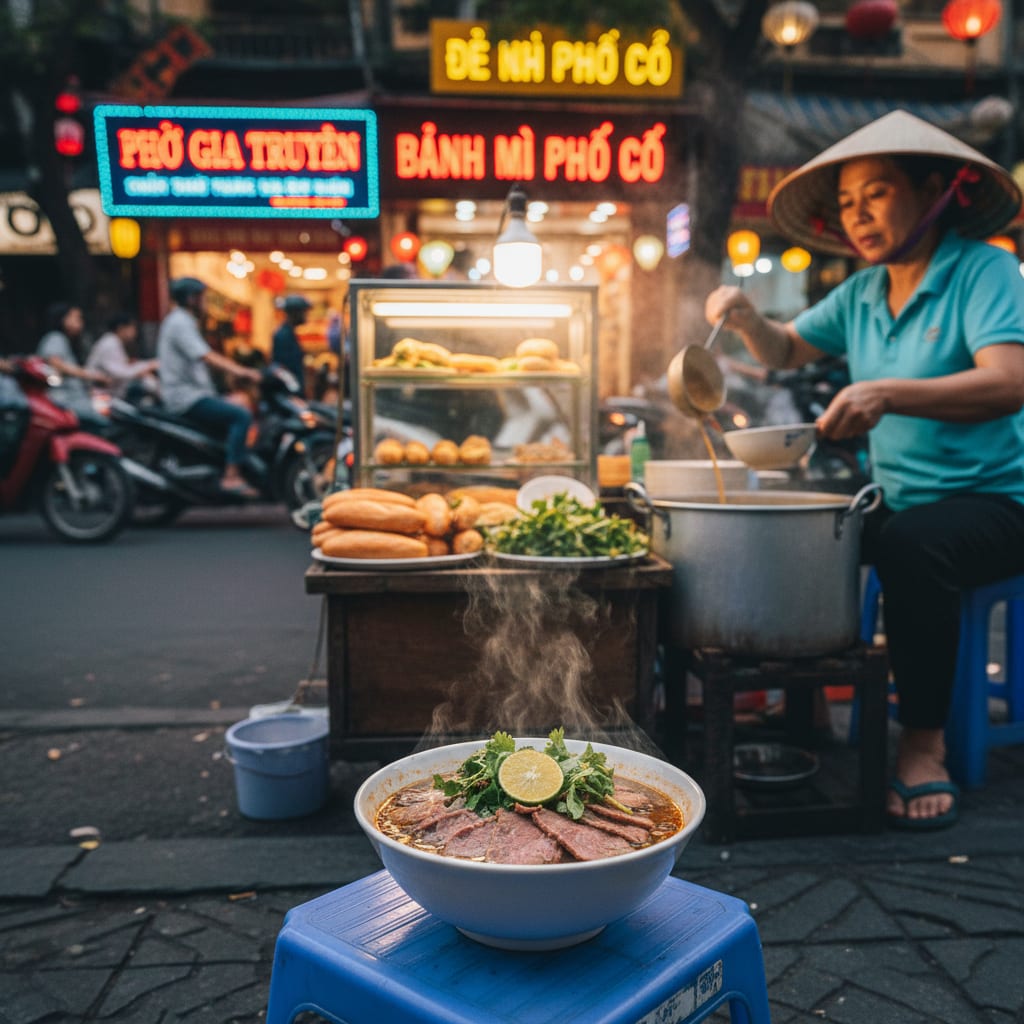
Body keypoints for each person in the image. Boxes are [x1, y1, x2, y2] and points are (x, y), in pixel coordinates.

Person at [704, 110, 1024, 830]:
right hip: (905, 498)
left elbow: (1009, 382)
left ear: (936, 190)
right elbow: (784, 350)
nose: (858, 214)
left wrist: (886, 394)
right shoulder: (860, 293)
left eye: (877, 193)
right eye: (847, 203)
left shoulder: (985, 269)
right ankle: (802, 706)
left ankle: (923, 746)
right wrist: (746, 315)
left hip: (1000, 502)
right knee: (809, 528)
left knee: (914, 549)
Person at [157, 277, 263, 497]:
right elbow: (205, 356)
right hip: (186, 398)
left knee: (238, 404)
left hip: (196, 393)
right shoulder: (180, 322)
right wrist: (241, 371)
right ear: (191, 299)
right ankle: (231, 476)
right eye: (202, 298)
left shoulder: (184, 321)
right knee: (240, 416)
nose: (205, 302)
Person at [36, 302, 111, 418]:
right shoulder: (55, 338)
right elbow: (56, 364)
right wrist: (91, 375)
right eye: (76, 318)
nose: (81, 322)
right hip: (63, 400)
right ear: (62, 319)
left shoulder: (67, 341)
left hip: (74, 399)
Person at [85, 312, 159, 398]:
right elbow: (121, 373)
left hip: (113, 393)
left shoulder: (114, 341)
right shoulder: (109, 343)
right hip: (103, 396)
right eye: (132, 327)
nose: (135, 331)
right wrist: (148, 366)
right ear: (121, 328)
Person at [271, 295, 311, 395]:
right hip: (290, 394)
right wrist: (294, 391)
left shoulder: (289, 333)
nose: (306, 316)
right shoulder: (283, 336)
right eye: (304, 312)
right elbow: (282, 368)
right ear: (295, 313)